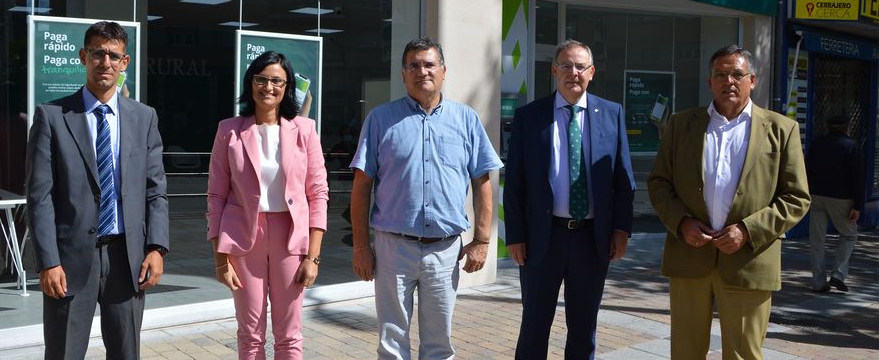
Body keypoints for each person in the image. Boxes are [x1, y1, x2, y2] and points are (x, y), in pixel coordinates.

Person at [648, 45, 810, 360]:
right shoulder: (681, 125)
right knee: (685, 352)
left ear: (752, 80)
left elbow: (797, 197)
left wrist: (748, 231)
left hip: (748, 261)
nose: (729, 81)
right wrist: (681, 222)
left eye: (737, 74)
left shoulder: (780, 129)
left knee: (742, 354)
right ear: (710, 82)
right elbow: (658, 183)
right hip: (689, 257)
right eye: (720, 74)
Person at [350, 37, 503, 360]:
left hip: (445, 250)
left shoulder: (467, 120)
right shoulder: (380, 120)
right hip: (393, 248)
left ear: (444, 71)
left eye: (429, 64)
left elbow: (483, 183)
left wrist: (482, 240)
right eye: (413, 66)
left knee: (439, 345)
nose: (422, 71)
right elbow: (361, 187)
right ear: (403, 74)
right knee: (392, 344)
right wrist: (362, 247)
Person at [26, 21, 169, 360]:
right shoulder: (52, 116)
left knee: (125, 352)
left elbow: (156, 189)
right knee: (64, 352)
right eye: (97, 53)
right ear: (83, 57)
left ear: (125, 62)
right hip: (70, 260)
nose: (105, 62)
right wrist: (48, 261)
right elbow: (39, 196)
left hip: (127, 258)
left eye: (113, 55)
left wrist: (157, 248)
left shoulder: (144, 117)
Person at [503, 39, 635, 359]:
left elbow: (623, 180)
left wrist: (620, 230)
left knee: (583, 326)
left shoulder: (612, 114)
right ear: (554, 71)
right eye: (565, 65)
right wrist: (516, 236)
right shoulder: (529, 116)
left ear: (591, 73)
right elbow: (515, 183)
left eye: (579, 67)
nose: (572, 73)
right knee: (534, 324)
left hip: (592, 240)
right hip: (542, 238)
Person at [207, 51, 328, 359]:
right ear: (251, 83)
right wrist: (220, 260)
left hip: (291, 238)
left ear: (287, 87)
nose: (268, 87)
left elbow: (318, 194)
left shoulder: (305, 130)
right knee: (250, 333)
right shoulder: (229, 130)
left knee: (289, 334)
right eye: (261, 79)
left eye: (277, 80)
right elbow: (216, 196)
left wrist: (312, 258)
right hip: (244, 240)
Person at [806, 113, 864, 293]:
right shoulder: (851, 146)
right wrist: (857, 206)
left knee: (817, 241)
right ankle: (838, 275)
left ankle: (818, 282)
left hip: (816, 196)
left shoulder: (818, 144)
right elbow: (858, 177)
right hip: (842, 199)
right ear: (847, 127)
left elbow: (807, 168)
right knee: (848, 236)